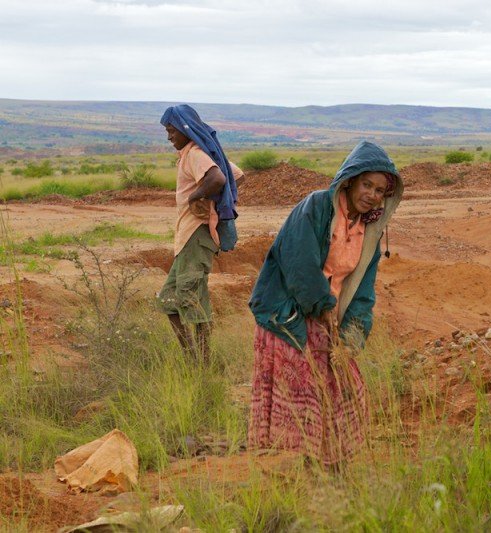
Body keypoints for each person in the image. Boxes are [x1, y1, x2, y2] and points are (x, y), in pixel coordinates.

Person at [248, 140, 403, 467]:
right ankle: (305, 470)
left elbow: (363, 291)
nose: (373, 195)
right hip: (291, 314)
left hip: (329, 318)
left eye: (380, 190)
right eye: (367, 185)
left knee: (347, 388)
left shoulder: (369, 232)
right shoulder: (316, 208)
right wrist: (321, 306)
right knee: (307, 395)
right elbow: (299, 263)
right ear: (349, 180)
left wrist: (352, 338)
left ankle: (333, 465)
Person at [157, 104, 243, 362]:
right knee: (170, 301)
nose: (169, 137)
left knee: (191, 299)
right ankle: (192, 359)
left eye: (172, 131)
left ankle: (203, 363)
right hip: (188, 239)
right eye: (167, 131)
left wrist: (200, 197)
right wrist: (214, 201)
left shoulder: (195, 153)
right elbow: (235, 175)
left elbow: (219, 179)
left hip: (196, 236)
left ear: (186, 129)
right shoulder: (198, 152)